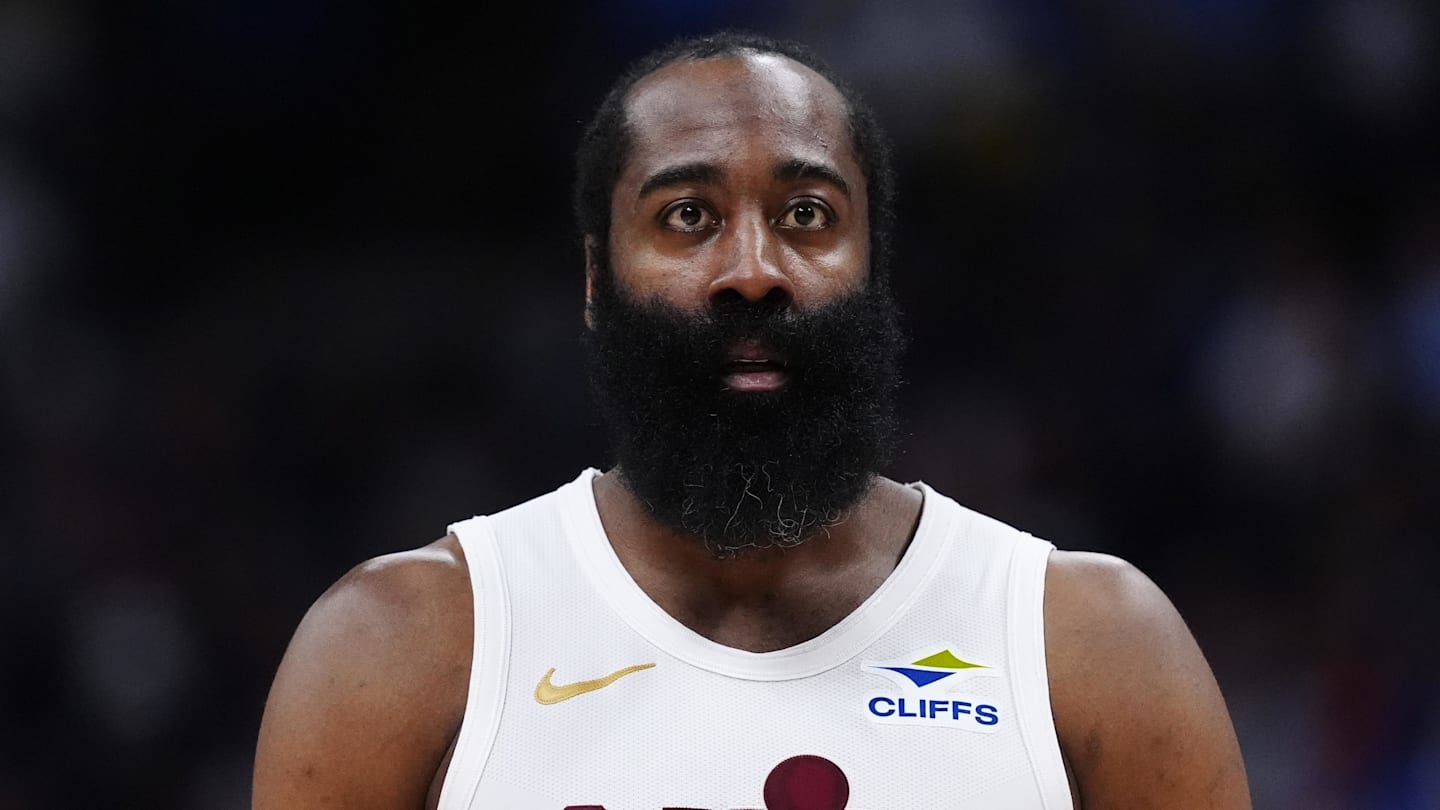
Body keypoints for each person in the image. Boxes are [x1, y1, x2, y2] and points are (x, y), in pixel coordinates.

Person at [253, 30, 1250, 809]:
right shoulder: (401, 649)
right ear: (598, 282)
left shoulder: (1090, 645)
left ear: (876, 273)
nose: (752, 270)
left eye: (807, 215)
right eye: (687, 217)